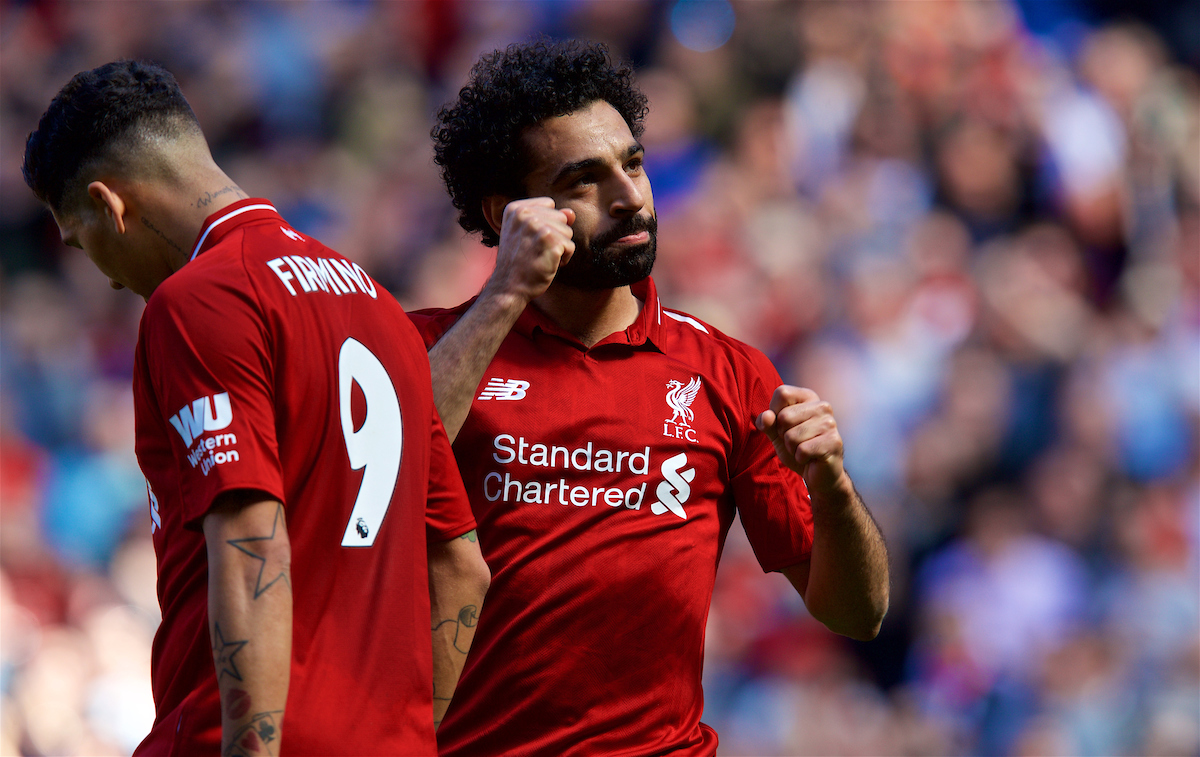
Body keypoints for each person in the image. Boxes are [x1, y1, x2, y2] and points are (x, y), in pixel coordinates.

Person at [410, 40, 890, 756]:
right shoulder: (419, 351)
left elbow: (857, 612)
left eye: (633, 163)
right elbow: (379, 492)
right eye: (585, 179)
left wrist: (834, 486)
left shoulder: (727, 374)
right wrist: (507, 293)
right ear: (508, 211)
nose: (629, 195)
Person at [22, 60, 491, 756]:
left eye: (81, 239)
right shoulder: (377, 305)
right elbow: (461, 567)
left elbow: (251, 542)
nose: (108, 278)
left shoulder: (197, 301)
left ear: (110, 204)